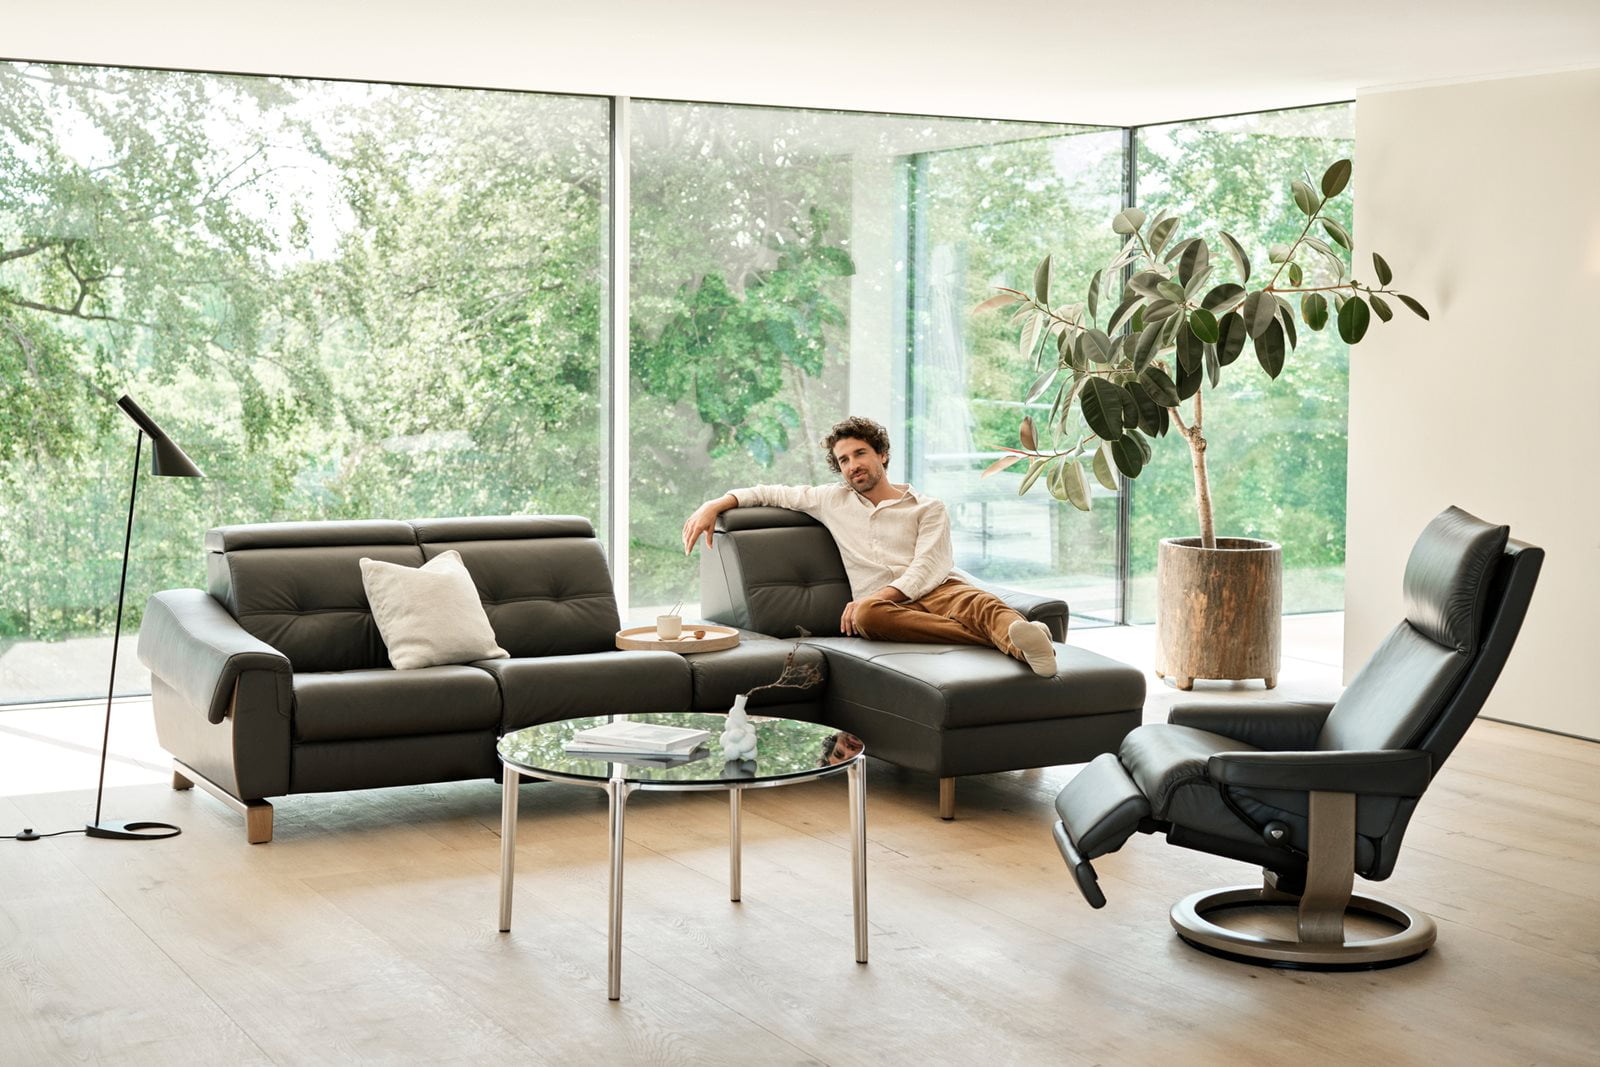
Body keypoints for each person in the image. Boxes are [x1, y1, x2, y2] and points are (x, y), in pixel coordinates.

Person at [681, 414, 1059, 677]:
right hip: (880, 607)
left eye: (859, 453)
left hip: (936, 589)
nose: (852, 465)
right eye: (843, 460)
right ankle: (1016, 639)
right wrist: (714, 505)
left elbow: (930, 566)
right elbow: (768, 491)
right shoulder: (830, 499)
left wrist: (888, 593)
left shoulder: (928, 507)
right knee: (864, 618)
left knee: (980, 602)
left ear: (881, 454)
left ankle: (1016, 636)